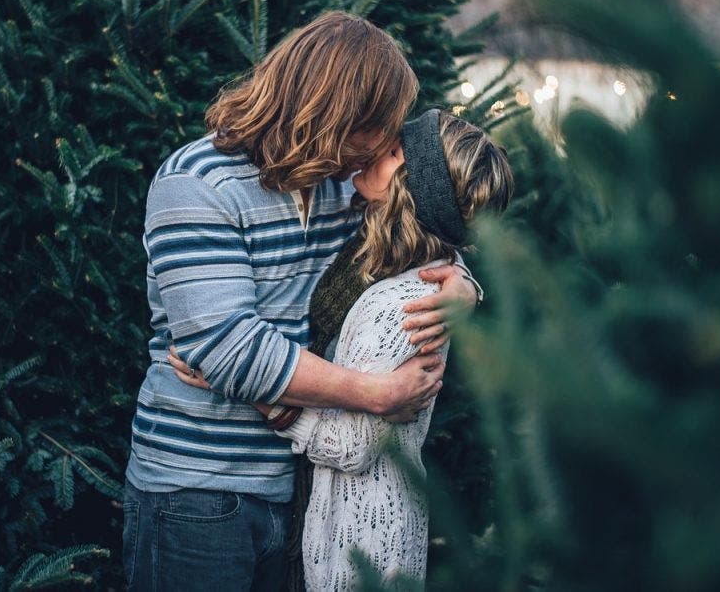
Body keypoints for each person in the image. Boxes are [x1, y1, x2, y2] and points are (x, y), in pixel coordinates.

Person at [122, 12, 481, 592]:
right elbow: (231, 350)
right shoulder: (197, 183)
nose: (387, 144)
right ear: (334, 115)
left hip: (299, 486)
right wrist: (375, 393)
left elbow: (423, 227)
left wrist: (464, 284)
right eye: (378, 128)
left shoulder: (341, 184)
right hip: (199, 491)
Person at [176, 108, 514, 590]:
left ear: (415, 191)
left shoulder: (407, 303)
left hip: (364, 535)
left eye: (395, 153)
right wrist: (466, 283)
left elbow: (353, 447)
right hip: (326, 513)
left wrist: (242, 384)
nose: (377, 151)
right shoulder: (373, 247)